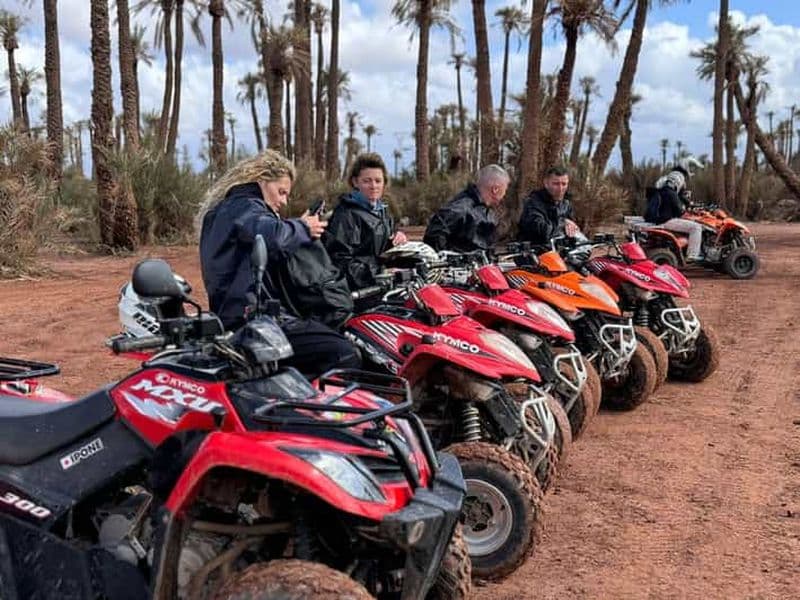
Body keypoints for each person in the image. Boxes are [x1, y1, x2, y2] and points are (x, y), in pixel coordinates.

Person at [197, 150, 360, 379]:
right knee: (343, 353)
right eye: (281, 192)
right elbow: (269, 235)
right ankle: (302, 401)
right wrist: (303, 228)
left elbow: (265, 243)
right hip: (252, 319)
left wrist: (296, 229)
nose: (283, 201)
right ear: (261, 180)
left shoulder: (228, 209)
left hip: (242, 315)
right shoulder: (244, 207)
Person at [323, 153, 407, 291]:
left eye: (378, 181)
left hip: (381, 284)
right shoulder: (346, 215)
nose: (373, 186)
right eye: (367, 181)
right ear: (355, 182)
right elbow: (341, 262)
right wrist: (379, 272)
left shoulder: (382, 211)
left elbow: (375, 249)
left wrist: (396, 240)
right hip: (358, 291)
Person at [423, 164, 510, 253]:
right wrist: (447, 258)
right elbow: (434, 236)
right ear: (495, 189)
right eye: (505, 190)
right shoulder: (461, 208)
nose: (504, 195)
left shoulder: (485, 210)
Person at [644, 156, 705, 261]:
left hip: (657, 220)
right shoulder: (671, 193)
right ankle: (693, 255)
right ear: (678, 182)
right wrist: (687, 211)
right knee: (696, 227)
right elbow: (679, 212)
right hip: (666, 221)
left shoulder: (660, 191)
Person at [517, 166, 580, 246]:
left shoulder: (566, 203)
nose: (560, 188)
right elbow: (542, 231)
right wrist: (563, 223)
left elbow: (572, 229)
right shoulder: (533, 202)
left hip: (560, 248)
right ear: (546, 183)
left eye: (564, 184)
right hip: (536, 248)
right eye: (556, 184)